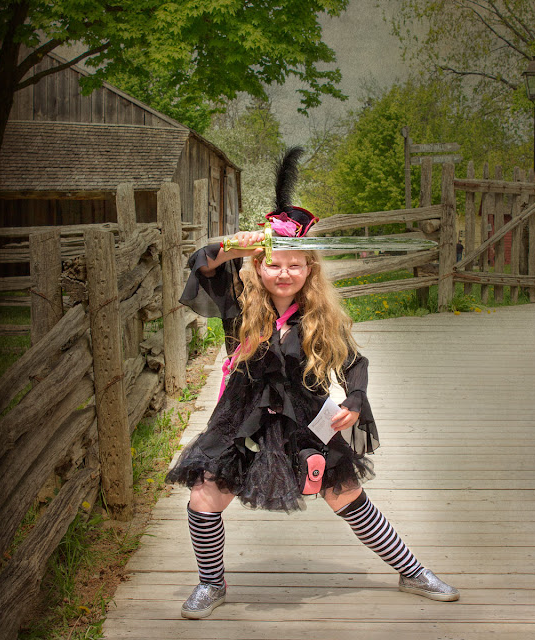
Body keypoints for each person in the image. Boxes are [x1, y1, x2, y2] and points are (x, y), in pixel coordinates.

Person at [166, 147, 459, 619]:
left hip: (305, 413)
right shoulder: (239, 303)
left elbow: (354, 363)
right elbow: (202, 263)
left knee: (347, 497)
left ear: (309, 272)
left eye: (295, 266)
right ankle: (211, 583)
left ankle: (411, 571)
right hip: (244, 413)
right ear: (259, 268)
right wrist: (239, 246)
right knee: (205, 494)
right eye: (274, 264)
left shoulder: (319, 316)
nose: (284, 274)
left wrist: (357, 402)